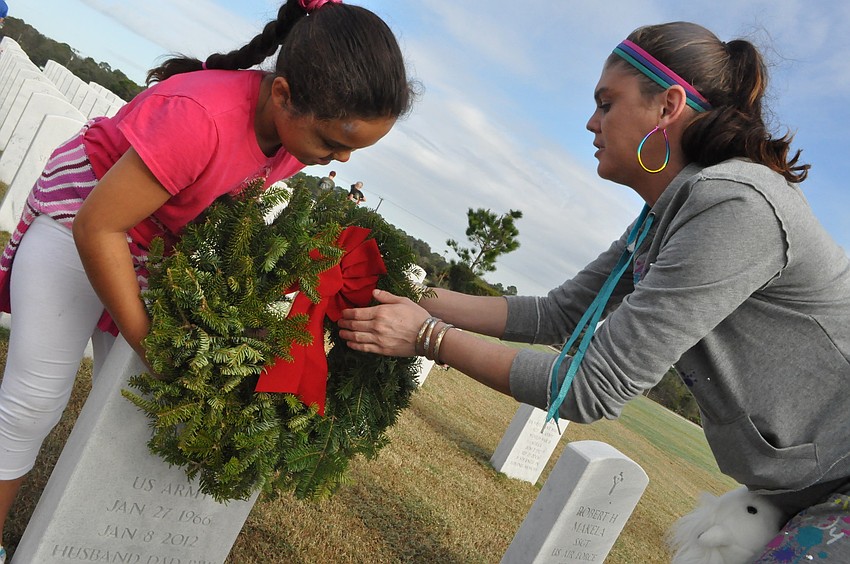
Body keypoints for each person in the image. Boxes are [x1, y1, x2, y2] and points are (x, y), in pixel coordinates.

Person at [338, 21, 850, 561]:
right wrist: (396, 292)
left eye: (607, 102)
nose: (591, 122)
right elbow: (558, 314)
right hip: (798, 488)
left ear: (667, 107)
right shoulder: (671, 211)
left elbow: (589, 388)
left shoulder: (735, 207)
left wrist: (428, 338)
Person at [0, 0, 414, 560]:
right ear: (283, 95)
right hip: (83, 217)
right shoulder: (202, 117)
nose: (337, 159)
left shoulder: (294, 141)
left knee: (134, 408)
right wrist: (149, 341)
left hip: (157, 247)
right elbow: (99, 226)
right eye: (333, 142)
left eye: (353, 149)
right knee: (32, 401)